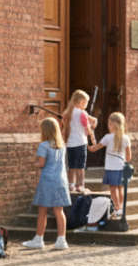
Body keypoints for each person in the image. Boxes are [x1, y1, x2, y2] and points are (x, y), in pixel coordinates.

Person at [22, 118, 71, 250]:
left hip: (47, 181)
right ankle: (61, 240)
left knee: (42, 210)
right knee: (59, 211)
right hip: (60, 181)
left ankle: (39, 239)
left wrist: (34, 162)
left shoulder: (43, 146)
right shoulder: (61, 146)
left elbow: (41, 163)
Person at [89, 112, 131, 218]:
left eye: (109, 123)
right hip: (121, 167)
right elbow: (129, 157)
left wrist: (89, 144)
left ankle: (117, 208)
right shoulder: (126, 138)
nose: (108, 125)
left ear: (113, 124)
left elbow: (95, 148)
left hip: (111, 168)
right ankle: (121, 207)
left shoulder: (108, 137)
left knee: (113, 188)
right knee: (120, 188)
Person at [61, 90, 95, 191]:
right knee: (80, 166)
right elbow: (87, 130)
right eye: (85, 102)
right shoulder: (82, 113)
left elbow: (64, 125)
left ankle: (70, 184)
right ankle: (80, 184)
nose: (86, 105)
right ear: (80, 102)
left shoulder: (67, 113)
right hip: (80, 142)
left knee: (71, 166)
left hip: (70, 144)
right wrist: (92, 128)